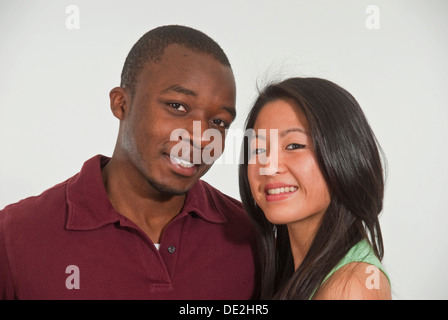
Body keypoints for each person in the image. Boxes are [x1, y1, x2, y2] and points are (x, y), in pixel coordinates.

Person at [0, 25, 258, 299]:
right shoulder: (14, 235)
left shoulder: (253, 238)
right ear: (121, 103)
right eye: (178, 106)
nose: (202, 138)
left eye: (219, 122)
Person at [239, 77, 391, 299]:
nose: (269, 167)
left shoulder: (350, 288)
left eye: (294, 145)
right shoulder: (292, 269)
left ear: (343, 156)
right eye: (258, 149)